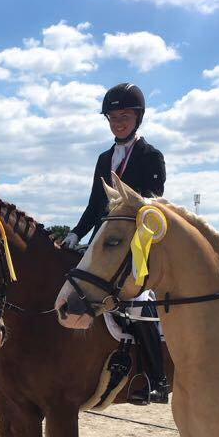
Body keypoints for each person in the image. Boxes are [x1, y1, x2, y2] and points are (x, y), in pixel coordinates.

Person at [67, 82, 169, 404]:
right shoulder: (103, 158)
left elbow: (152, 206)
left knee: (141, 301)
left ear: (137, 117)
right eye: (112, 116)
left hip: (137, 244)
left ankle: (156, 378)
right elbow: (94, 204)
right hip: (104, 240)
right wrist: (76, 233)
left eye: (124, 115)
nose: (118, 121)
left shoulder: (151, 156)